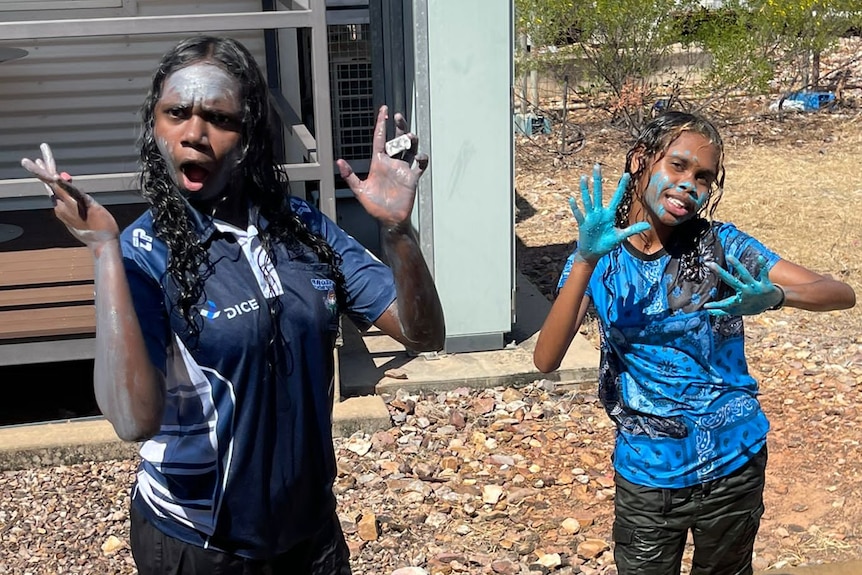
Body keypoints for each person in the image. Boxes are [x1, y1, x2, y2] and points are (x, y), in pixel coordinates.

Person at [21, 35, 445, 574]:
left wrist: (397, 231)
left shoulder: (303, 228)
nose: (194, 134)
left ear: (249, 137)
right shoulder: (147, 253)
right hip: (200, 543)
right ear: (155, 128)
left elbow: (423, 334)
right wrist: (105, 252)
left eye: (218, 118)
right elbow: (132, 420)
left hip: (309, 533)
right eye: (176, 113)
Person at [533, 111, 855, 575]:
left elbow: (839, 293)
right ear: (640, 160)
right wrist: (584, 260)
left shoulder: (720, 247)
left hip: (734, 464)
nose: (689, 185)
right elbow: (546, 359)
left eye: (703, 177)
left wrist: (777, 296)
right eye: (678, 166)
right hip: (648, 474)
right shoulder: (599, 258)